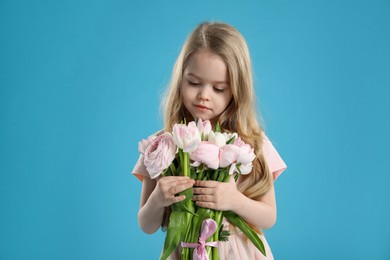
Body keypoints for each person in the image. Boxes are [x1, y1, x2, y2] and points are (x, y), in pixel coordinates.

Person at [132, 21, 287, 259]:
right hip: (186, 251)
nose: (204, 95)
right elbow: (147, 225)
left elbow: (269, 217)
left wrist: (235, 200)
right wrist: (157, 200)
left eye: (218, 88)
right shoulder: (163, 145)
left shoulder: (250, 143)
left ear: (237, 90)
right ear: (180, 79)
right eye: (194, 83)